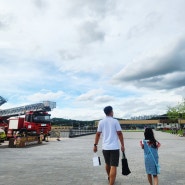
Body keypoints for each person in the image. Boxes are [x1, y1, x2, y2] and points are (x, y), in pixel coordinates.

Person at [93, 106, 125, 185]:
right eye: (112, 111)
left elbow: (98, 134)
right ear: (111, 112)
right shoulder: (115, 121)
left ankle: (109, 177)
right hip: (114, 147)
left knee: (107, 164)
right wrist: (122, 145)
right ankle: (111, 182)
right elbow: (119, 133)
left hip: (105, 147)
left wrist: (95, 145)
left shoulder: (101, 122)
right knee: (113, 166)